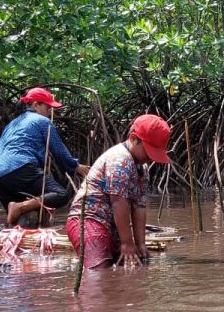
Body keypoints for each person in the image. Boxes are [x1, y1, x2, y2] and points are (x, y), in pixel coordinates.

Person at [65, 114, 171, 269]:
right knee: (98, 270)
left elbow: (139, 206)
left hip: (112, 225)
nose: (151, 157)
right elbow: (118, 201)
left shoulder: (142, 168)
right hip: (88, 220)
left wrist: (140, 244)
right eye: (149, 151)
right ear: (134, 139)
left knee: (127, 267)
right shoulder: (119, 159)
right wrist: (127, 243)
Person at [0, 87, 89, 228]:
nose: (50, 112)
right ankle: (19, 207)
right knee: (61, 194)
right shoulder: (42, 121)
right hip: (20, 168)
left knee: (18, 225)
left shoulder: (12, 124)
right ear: (35, 104)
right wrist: (76, 166)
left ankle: (13, 234)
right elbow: (59, 151)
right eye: (48, 107)